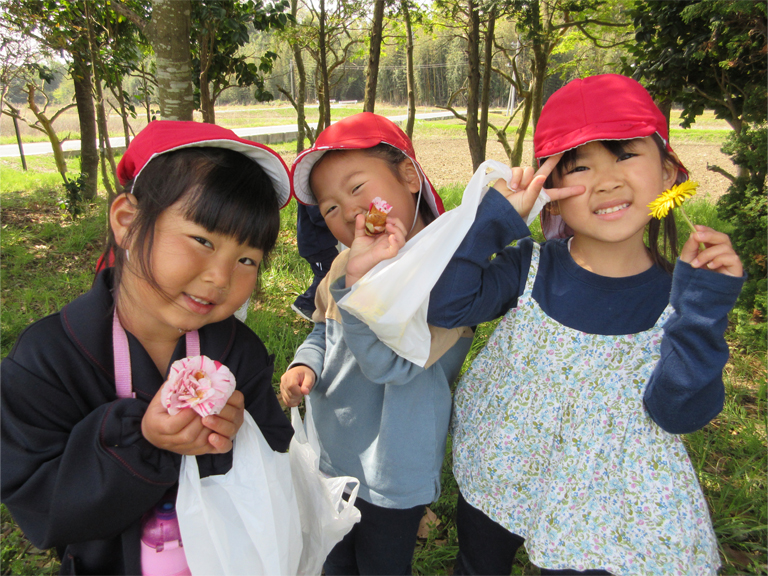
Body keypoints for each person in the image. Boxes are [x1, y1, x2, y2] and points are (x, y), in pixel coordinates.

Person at [428, 74, 745, 576]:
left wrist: (703, 309)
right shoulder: (528, 267)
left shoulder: (678, 299)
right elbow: (445, 307)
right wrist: (496, 220)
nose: (606, 180)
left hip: (602, 498)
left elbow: (679, 412)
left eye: (624, 155)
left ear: (667, 173)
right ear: (552, 191)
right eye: (580, 167)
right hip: (501, 462)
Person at [1, 121, 295, 575]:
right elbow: (44, 506)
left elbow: (276, 456)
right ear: (127, 220)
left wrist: (236, 438)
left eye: (246, 260)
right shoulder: (47, 360)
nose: (220, 276)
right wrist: (143, 440)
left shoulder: (239, 353)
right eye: (201, 240)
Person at [281, 112, 475, 575]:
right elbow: (321, 329)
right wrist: (304, 364)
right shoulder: (342, 265)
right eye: (328, 207)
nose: (346, 211)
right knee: (334, 560)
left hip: (393, 467)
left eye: (355, 188)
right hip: (332, 455)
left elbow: (395, 365)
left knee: (381, 566)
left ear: (409, 176)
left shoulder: (448, 276)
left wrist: (357, 284)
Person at [291, 203, 339, 321]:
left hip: (319, 242)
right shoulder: (312, 193)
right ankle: (305, 303)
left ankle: (324, 306)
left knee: (333, 269)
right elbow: (317, 215)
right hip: (316, 243)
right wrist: (338, 218)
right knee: (328, 273)